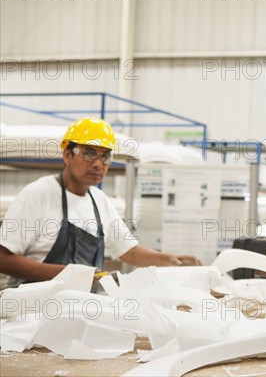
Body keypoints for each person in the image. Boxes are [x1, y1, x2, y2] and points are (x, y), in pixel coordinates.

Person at [0, 117, 201, 289]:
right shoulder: (38, 194)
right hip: (30, 314)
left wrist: (170, 260)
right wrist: (69, 274)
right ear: (67, 155)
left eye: (105, 156)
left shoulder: (99, 200)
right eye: (89, 153)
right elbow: (3, 259)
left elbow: (129, 251)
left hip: (80, 312)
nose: (98, 164)